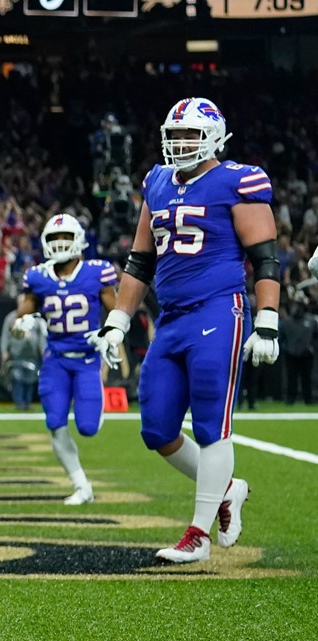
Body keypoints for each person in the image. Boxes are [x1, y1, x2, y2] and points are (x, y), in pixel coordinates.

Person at [89, 97, 277, 563]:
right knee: (156, 430)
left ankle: (198, 534)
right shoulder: (155, 180)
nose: (181, 143)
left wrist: (268, 320)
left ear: (214, 136)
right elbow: (140, 260)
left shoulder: (238, 179)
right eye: (174, 136)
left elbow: (265, 259)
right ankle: (228, 489)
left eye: (190, 134)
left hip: (218, 311)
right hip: (171, 317)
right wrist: (118, 321)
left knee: (213, 425)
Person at [11, 214, 118, 505]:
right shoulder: (37, 277)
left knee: (88, 427)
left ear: (79, 241)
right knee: (55, 421)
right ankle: (81, 485)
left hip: (86, 360)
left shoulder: (97, 272)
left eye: (66, 237)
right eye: (54, 238)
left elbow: (119, 313)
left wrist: (109, 335)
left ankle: (92, 408)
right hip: (55, 359)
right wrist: (20, 325)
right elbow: (22, 314)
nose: (60, 243)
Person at [0, 308, 44, 411]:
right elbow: (5, 335)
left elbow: (41, 336)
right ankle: (19, 402)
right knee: (17, 378)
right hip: (16, 353)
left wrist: (43, 350)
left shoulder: (37, 319)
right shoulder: (11, 317)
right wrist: (4, 350)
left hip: (32, 354)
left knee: (30, 379)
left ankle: (27, 402)